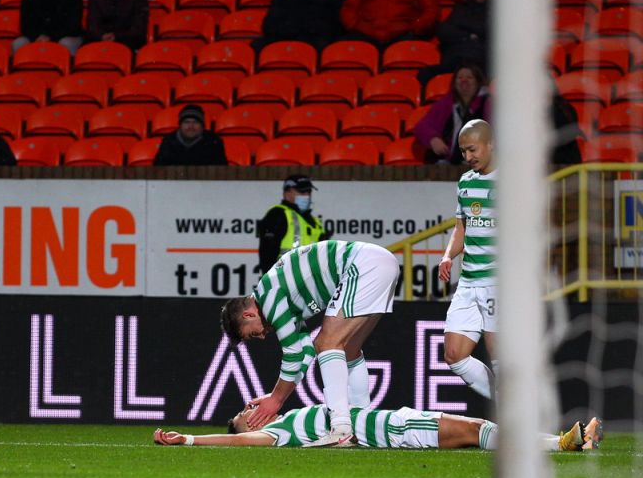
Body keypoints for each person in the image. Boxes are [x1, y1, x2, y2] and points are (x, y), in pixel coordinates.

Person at [220, 239, 400, 447]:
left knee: (327, 343)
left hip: (363, 265)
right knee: (349, 349)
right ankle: (362, 420)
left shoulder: (269, 298)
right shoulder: (276, 294)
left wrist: (276, 399)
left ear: (248, 314)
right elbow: (305, 353)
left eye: (253, 334)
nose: (262, 336)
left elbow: (293, 354)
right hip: (381, 262)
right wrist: (276, 395)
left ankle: (341, 428)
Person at [153, 404, 603, 452]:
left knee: (478, 428)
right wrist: (188, 439)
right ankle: (559, 445)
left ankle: (569, 441)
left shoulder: (291, 418)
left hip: (392, 422)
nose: (252, 406)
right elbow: (236, 441)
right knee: (475, 428)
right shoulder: (280, 433)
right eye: (246, 412)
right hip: (390, 429)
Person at [438, 119, 496, 400]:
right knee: (454, 355)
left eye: (472, 149)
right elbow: (461, 227)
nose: (467, 156)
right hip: (469, 282)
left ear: (491, 145)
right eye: (463, 151)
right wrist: (448, 255)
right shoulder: (465, 182)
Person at [418, 0, 490, 84]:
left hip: (481, 64)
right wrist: (470, 36)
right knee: (424, 74)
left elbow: (487, 30)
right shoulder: (460, 8)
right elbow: (444, 31)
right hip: (455, 61)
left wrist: (463, 27)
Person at [413, 63, 491, 165]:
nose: (464, 80)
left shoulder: (488, 104)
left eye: (469, 77)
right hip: (449, 162)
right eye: (460, 78)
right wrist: (433, 139)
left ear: (478, 82)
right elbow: (421, 127)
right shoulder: (446, 103)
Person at [257, 174, 327, 273]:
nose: (307, 196)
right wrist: (272, 280)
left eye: (309, 191)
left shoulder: (315, 221)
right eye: (302, 192)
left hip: (309, 279)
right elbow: (267, 254)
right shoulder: (278, 214)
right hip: (284, 278)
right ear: (287, 193)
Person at [153, 104, 228, 167]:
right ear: (180, 125)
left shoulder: (213, 141)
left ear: (202, 126)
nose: (191, 127)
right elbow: (158, 169)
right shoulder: (168, 141)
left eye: (195, 122)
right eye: (186, 122)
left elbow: (221, 171)